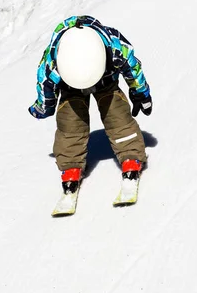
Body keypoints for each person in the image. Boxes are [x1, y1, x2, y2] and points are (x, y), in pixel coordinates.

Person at [28, 15, 152, 194]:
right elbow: (45, 87)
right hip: (70, 86)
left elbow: (133, 68)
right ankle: (71, 164)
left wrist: (140, 93)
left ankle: (131, 154)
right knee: (69, 121)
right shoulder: (52, 63)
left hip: (105, 79)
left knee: (117, 113)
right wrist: (43, 108)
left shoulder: (115, 47)